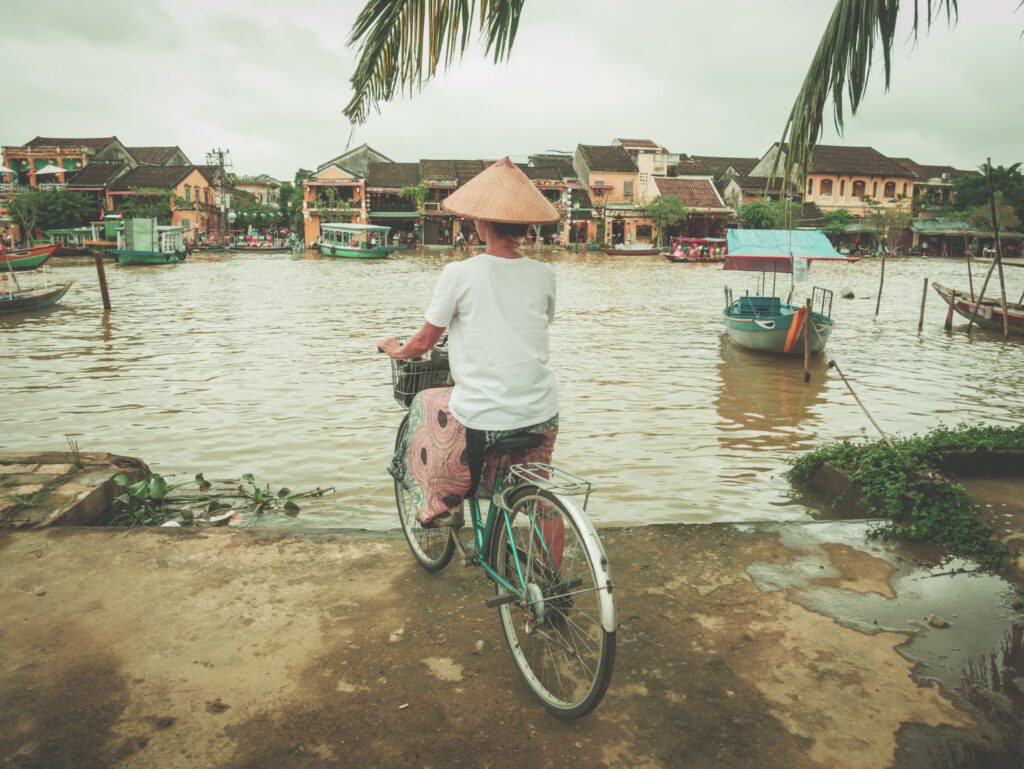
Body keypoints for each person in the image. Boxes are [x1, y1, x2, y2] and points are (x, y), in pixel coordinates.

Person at [378, 157, 561, 530]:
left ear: (481, 223)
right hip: (542, 411)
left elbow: (425, 341)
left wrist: (397, 349)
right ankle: (555, 583)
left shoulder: (459, 273)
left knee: (426, 402)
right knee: (542, 497)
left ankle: (440, 504)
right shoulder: (545, 274)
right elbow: (537, 321)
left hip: (485, 417)